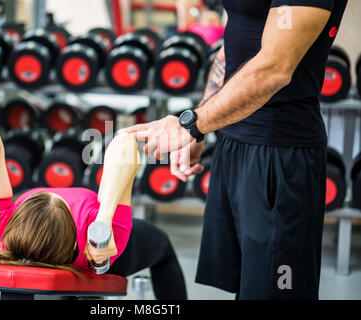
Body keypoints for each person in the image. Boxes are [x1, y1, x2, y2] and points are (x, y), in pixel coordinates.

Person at [121, 0, 347, 299]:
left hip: (278, 153)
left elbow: (274, 69)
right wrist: (200, 127)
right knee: (249, 287)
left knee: (277, 293)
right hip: (233, 143)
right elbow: (238, 39)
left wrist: (192, 124)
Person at [0, 123, 187, 300]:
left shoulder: (3, 230)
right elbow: (125, 143)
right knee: (163, 247)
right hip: (109, 255)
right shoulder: (104, 238)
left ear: (17, 220)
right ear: (73, 242)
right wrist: (104, 221)